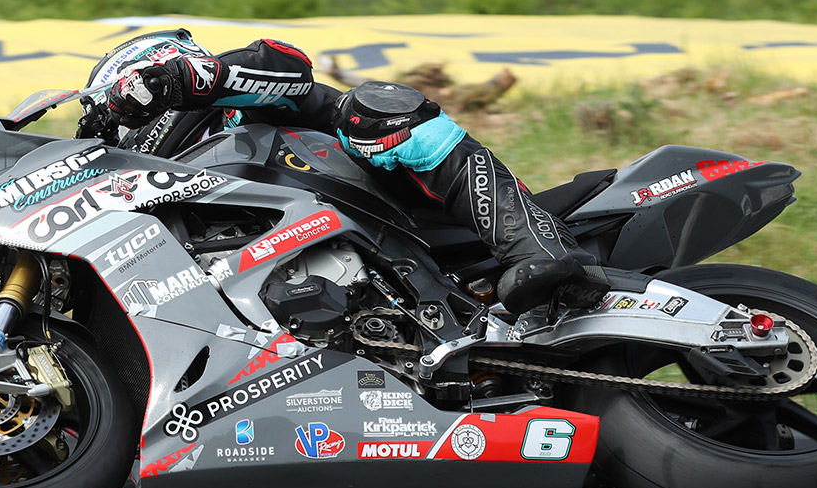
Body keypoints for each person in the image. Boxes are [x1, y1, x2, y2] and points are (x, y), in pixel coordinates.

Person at [77, 30, 610, 314]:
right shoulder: (167, 192)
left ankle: (540, 250)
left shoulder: (233, 103)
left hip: (408, 218)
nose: (112, 128)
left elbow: (288, 63)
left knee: (374, 109)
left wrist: (193, 76)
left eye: (113, 111)